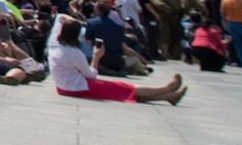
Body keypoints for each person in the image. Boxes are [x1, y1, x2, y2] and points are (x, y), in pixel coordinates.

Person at [48, 17, 186, 105]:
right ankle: (166, 88)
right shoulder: (74, 53)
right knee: (123, 88)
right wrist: (97, 56)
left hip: (65, 86)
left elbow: (60, 17)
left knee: (123, 93)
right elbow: (91, 75)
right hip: (77, 87)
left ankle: (168, 96)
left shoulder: (54, 44)